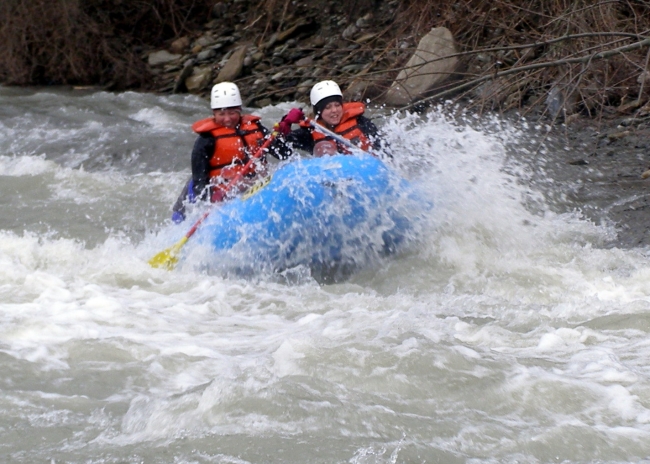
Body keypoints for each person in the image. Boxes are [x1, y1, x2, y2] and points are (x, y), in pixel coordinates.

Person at [172, 82, 292, 223]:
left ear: (240, 110)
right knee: (190, 190)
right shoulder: (206, 140)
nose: (227, 119)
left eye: (232, 113)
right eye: (221, 114)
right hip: (220, 191)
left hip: (251, 186)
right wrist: (211, 197)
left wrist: (282, 132)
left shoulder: (256, 128)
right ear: (214, 114)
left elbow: (285, 155)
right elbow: (199, 182)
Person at [277, 80, 387, 157]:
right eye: (328, 107)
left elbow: (385, 151)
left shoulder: (361, 123)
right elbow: (280, 150)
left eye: (337, 105)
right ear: (319, 112)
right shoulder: (310, 132)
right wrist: (286, 124)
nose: (334, 110)